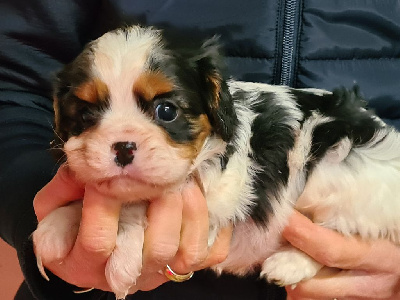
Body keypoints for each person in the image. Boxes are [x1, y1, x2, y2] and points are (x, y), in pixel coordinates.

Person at [1, 1, 399, 299]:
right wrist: (43, 205)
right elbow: (12, 85)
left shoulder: (227, 144)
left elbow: (219, 204)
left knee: (322, 182)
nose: (122, 142)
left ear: (215, 106)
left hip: (348, 152)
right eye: (88, 115)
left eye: (165, 110)